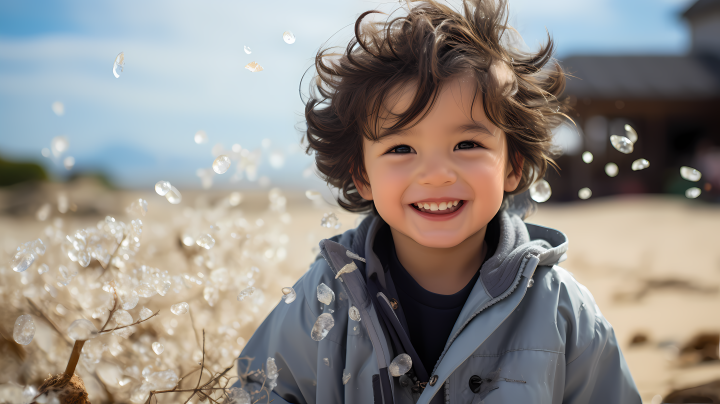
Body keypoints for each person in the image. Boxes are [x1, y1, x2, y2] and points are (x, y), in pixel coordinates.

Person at [236, 0, 641, 402]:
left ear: (512, 166)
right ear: (362, 176)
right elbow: (259, 392)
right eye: (401, 149)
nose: (436, 174)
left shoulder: (561, 309)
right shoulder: (326, 294)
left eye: (467, 144)